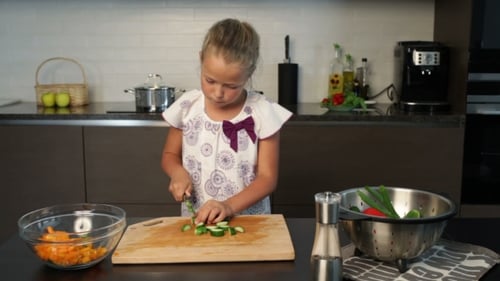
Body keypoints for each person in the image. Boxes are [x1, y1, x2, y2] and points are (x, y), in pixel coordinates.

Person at [161, 18, 292, 225]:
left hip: (249, 222)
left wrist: (229, 206)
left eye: (231, 86)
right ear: (201, 59)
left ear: (249, 75)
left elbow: (267, 179)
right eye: (210, 80)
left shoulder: (262, 113)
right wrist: (177, 173)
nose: (218, 93)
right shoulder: (187, 107)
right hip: (198, 219)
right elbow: (169, 155)